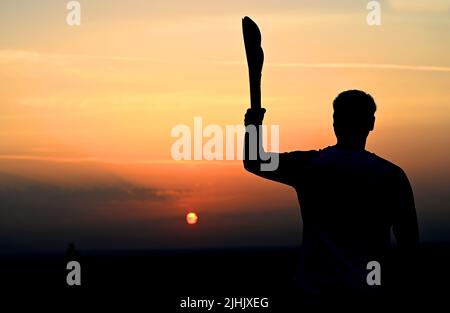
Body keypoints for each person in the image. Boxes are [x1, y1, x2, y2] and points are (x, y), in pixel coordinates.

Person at [243, 89, 419, 295]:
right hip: (369, 292)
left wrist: (253, 121)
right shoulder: (392, 176)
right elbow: (409, 245)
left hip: (316, 292)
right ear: (371, 123)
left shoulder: (309, 166)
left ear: (335, 121)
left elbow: (254, 160)